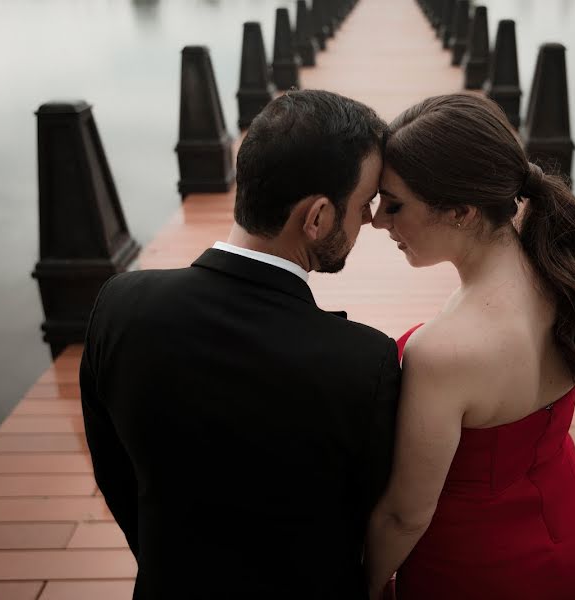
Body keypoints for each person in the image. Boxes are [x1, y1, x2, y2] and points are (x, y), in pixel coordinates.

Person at [79, 90, 400, 599]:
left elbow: (114, 473)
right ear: (316, 217)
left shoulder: (120, 307)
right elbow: (372, 515)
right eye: (365, 206)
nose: (369, 222)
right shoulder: (366, 364)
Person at [364, 93, 575, 600]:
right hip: (569, 533)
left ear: (463, 212)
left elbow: (405, 515)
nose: (378, 221)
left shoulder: (444, 352)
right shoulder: (568, 279)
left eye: (394, 204)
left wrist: (365, 583)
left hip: (478, 570)